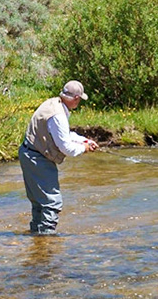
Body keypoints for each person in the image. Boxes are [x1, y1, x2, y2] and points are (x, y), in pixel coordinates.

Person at [19, 80, 100, 235]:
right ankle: (47, 241)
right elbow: (66, 148)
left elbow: (62, 134)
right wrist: (84, 148)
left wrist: (84, 140)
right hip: (38, 158)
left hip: (28, 153)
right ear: (76, 98)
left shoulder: (52, 103)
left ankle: (37, 238)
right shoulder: (58, 115)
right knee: (51, 202)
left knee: (38, 202)